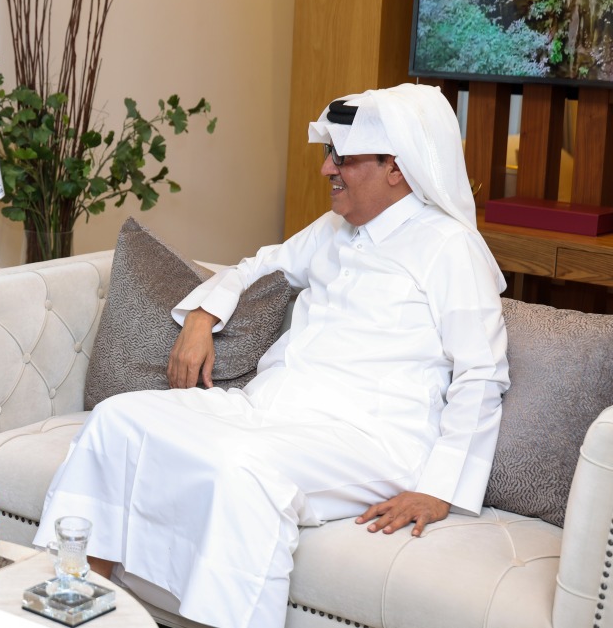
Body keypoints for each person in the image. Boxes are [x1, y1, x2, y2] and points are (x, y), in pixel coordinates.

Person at [33, 84, 509, 628]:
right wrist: (200, 317)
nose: (327, 169)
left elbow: (482, 373)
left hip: (371, 436)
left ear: (395, 168)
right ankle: (72, 609)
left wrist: (438, 489)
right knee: (117, 419)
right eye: (329, 155)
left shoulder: (451, 247)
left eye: (344, 159)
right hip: (272, 411)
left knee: (243, 470)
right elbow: (255, 266)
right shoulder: (334, 229)